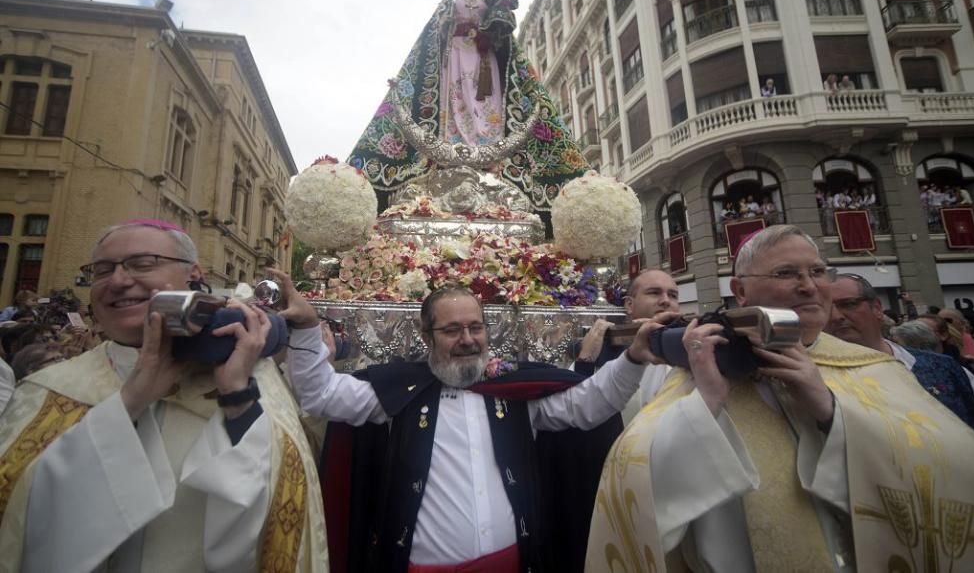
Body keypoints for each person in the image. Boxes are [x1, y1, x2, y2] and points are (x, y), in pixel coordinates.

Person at [586, 225, 974, 571]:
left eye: (817, 272)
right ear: (740, 290)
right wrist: (705, 405)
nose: (809, 286)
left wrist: (831, 413)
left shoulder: (873, 369)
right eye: (786, 273)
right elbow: (633, 477)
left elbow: (954, 470)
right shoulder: (703, 368)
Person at [0, 219, 328, 572]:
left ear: (193, 274)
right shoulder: (49, 389)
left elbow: (276, 520)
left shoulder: (250, 377)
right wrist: (129, 404)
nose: (119, 280)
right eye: (103, 269)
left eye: (143, 263)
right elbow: (19, 522)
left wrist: (236, 397)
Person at [283, 276, 660, 572]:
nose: (467, 340)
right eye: (452, 330)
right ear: (425, 335)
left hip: (514, 561)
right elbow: (320, 394)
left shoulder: (516, 389)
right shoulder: (399, 390)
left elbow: (591, 404)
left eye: (476, 328)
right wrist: (305, 327)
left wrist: (633, 359)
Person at [347, 0, 588, 218]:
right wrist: (448, 21)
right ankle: (456, 144)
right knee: (456, 98)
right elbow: (436, 33)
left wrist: (499, 10)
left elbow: (506, 26)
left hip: (483, 58)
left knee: (485, 102)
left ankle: (486, 146)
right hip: (456, 58)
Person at [826, 273, 974, 432]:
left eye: (849, 304)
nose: (836, 316)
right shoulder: (819, 382)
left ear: (877, 308)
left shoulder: (943, 367)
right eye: (825, 308)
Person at [576, 268, 682, 421]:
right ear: (629, 305)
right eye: (654, 292)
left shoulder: (693, 345)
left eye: (673, 295)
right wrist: (585, 360)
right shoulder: (600, 348)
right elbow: (577, 409)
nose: (666, 300)